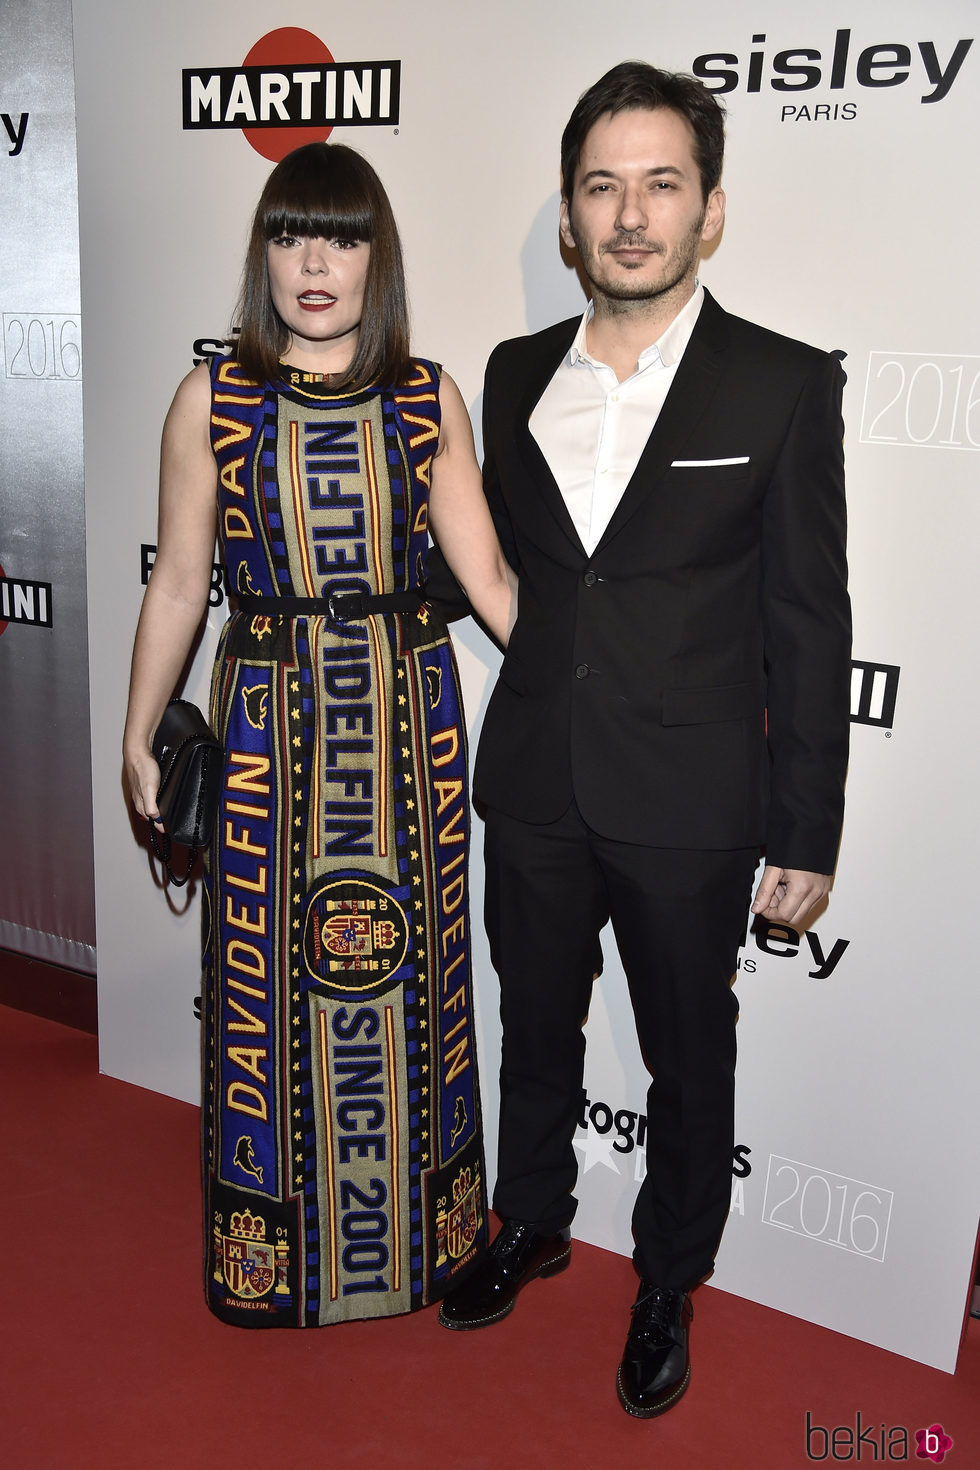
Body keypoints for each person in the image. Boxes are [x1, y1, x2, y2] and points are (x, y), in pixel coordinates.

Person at [437, 62, 851, 1418]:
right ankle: (530, 1217)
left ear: (710, 209)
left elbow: (808, 615)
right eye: (603, 185)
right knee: (535, 1024)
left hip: (691, 792)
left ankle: (669, 1277)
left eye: (660, 184)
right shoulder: (506, 376)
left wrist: (808, 824)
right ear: (569, 216)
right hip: (538, 776)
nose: (630, 213)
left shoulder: (781, 383)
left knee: (690, 1055)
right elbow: (495, 567)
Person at [124, 142, 515, 1327]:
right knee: (264, 995)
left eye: (341, 237)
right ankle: (275, 1261)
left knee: (413, 981)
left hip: (403, 722)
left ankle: (417, 1246)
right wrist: (138, 731)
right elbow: (181, 580)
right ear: (264, 253)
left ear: (374, 259)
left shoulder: (424, 395)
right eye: (292, 234)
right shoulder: (214, 398)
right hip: (265, 726)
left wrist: (603, 692)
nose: (314, 261)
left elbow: (488, 576)